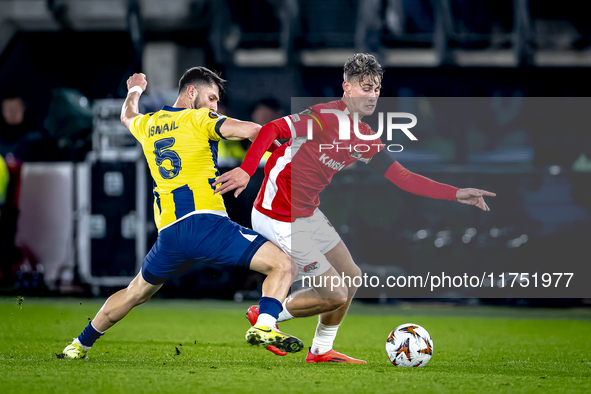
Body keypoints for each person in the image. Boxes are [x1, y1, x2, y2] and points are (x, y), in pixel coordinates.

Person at [213, 53, 496, 363]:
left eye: (376, 88)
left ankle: (320, 350)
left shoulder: (364, 137)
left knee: (351, 277)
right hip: (276, 215)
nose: (372, 95)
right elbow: (270, 130)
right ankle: (266, 314)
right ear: (346, 88)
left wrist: (457, 193)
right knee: (334, 294)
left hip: (307, 213)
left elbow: (403, 178)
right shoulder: (325, 117)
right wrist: (246, 169)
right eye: (365, 87)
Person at [62, 67, 303, 359]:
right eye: (211, 97)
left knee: (135, 292)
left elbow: (127, 116)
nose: (214, 106)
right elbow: (255, 130)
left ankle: (78, 345)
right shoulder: (200, 118)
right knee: (283, 264)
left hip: (170, 236)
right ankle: (265, 324)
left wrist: (135, 90)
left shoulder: (148, 124)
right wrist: (281, 152)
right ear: (191, 92)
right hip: (205, 224)